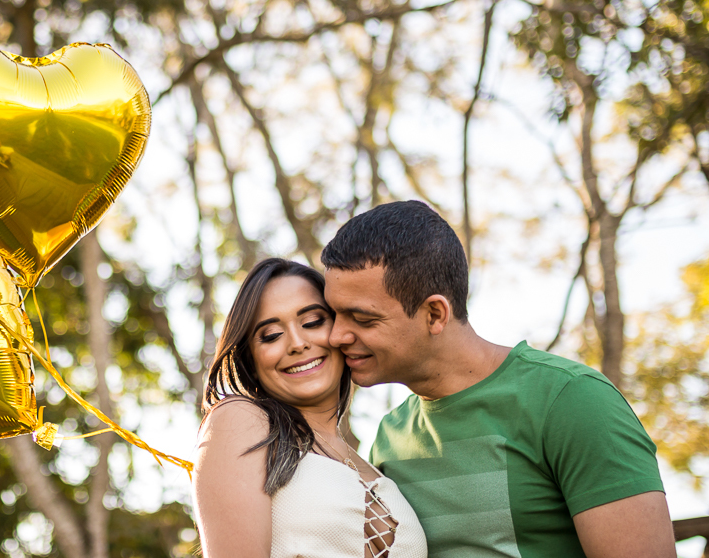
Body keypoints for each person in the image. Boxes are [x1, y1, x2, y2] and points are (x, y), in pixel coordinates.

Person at [321, 200, 677, 558]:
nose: (336, 336)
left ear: (434, 314)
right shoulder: (390, 437)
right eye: (334, 314)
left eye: (362, 319)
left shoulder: (571, 400)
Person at [192, 258, 428, 558]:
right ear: (251, 360)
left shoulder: (375, 467)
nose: (297, 343)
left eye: (313, 322)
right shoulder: (240, 419)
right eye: (271, 335)